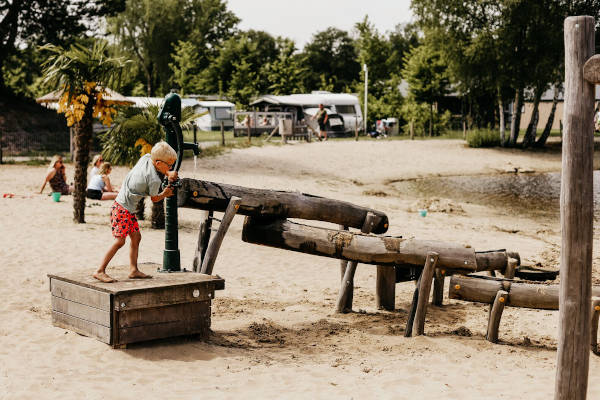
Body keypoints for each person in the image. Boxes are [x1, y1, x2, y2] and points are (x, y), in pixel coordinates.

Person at [93, 142, 178, 283]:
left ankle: (133, 270)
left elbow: (156, 167)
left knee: (136, 237)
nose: (171, 168)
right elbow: (155, 198)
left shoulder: (146, 157)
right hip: (122, 209)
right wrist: (166, 193)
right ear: (158, 163)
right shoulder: (154, 180)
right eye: (169, 165)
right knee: (120, 241)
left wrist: (167, 172)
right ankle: (99, 270)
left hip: (124, 208)